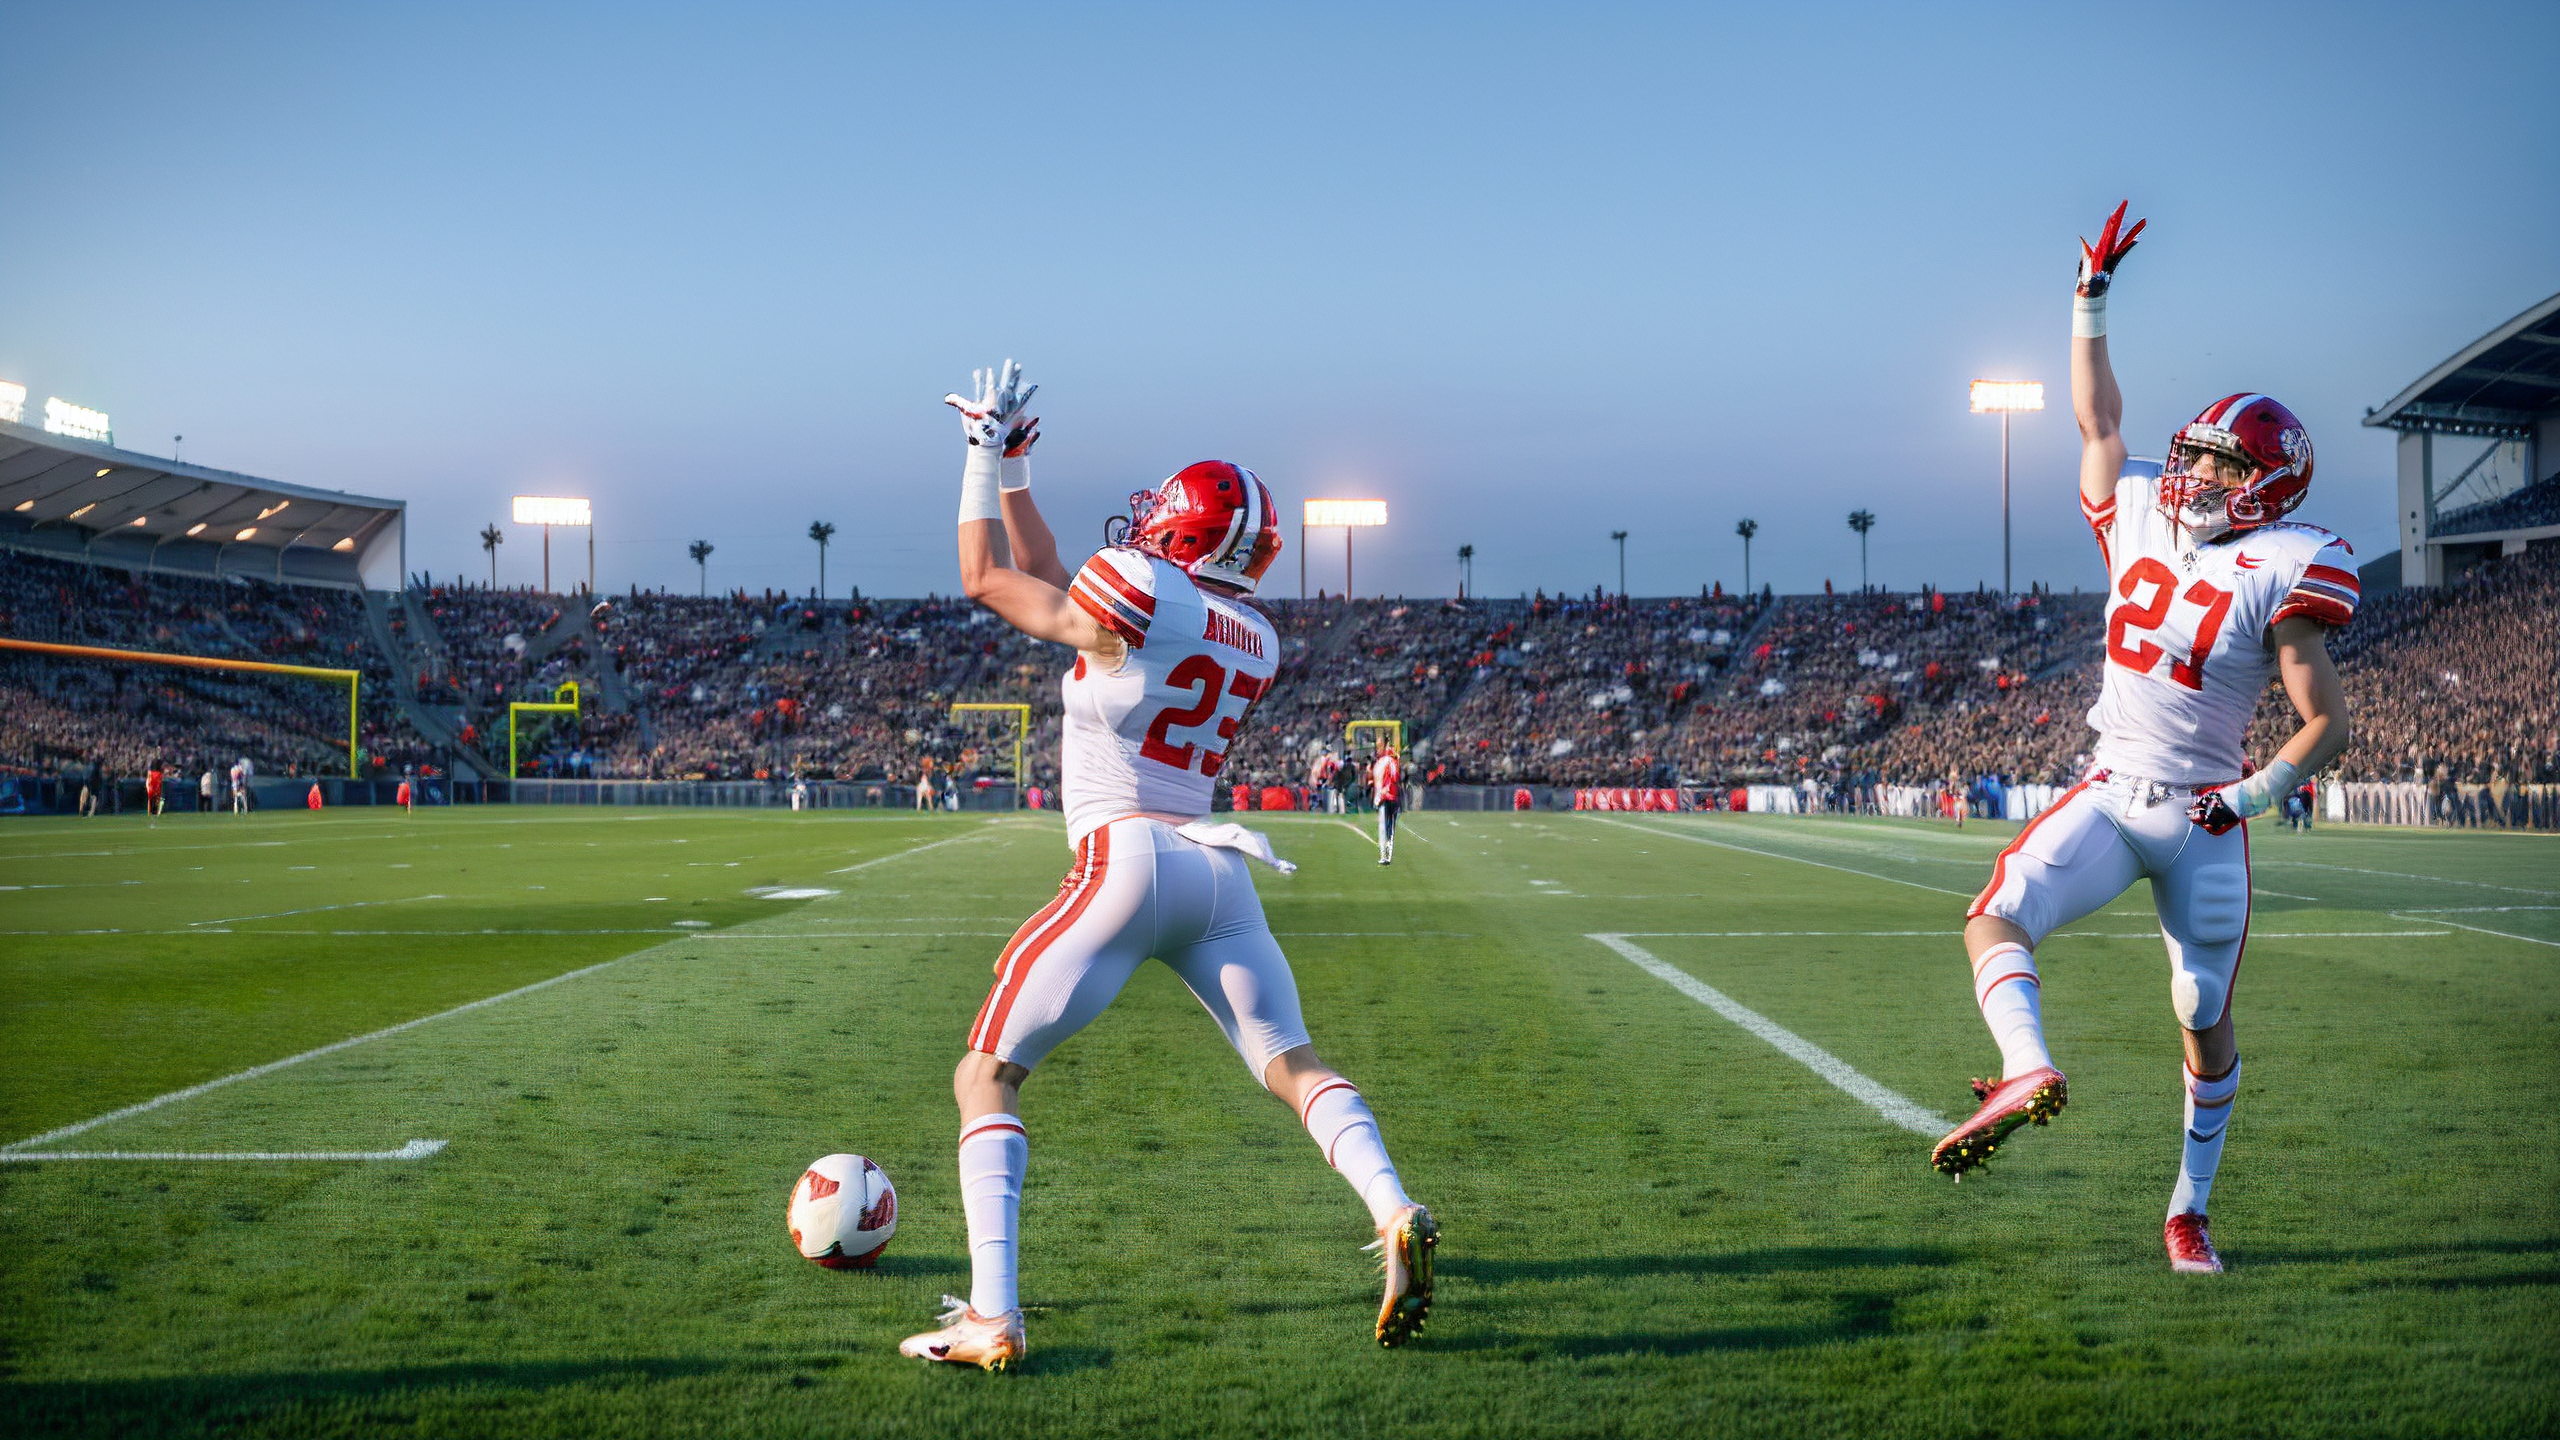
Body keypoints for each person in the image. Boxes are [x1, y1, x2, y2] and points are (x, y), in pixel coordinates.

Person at [896, 361, 1435, 1372]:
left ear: (1179, 535)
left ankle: (991, 1316)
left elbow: (990, 579)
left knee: (986, 1074)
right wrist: (1017, 471)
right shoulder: (1256, 635)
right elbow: (1060, 578)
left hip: (1125, 858)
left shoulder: (1138, 588)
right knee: (1293, 1064)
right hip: (1215, 868)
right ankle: (1394, 1209)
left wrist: (975, 458)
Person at [1933, 203, 2357, 1277]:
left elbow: (2324, 725)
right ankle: (2025, 1068)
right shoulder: (2139, 512)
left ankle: (2188, 1209)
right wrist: (2088, 298)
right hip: (2115, 789)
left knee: (2199, 1013)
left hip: (2208, 813)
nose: (2196, 479)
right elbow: (2095, 421)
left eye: (2220, 469)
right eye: (2198, 459)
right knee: (1995, 918)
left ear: (2268, 483)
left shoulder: (2289, 563)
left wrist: (2252, 799)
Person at [1370, 741, 1405, 865]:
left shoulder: (1379, 763)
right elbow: (1395, 777)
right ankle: (1388, 856)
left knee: (1382, 827)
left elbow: (1374, 780)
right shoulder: (1394, 762)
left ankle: (1383, 855)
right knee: (1391, 828)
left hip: (1381, 797)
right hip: (1392, 796)